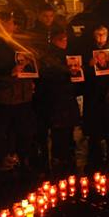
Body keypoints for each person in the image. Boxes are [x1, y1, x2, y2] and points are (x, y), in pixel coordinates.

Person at [0, 10, 36, 175]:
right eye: (10, 22)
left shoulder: (18, 42)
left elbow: (28, 63)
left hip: (22, 96)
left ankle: (21, 161)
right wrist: (8, 74)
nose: (13, 25)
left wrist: (30, 75)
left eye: (13, 22)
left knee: (23, 132)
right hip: (2, 98)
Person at [35, 28, 81, 175]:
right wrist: (67, 72)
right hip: (56, 98)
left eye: (66, 39)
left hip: (66, 96)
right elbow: (49, 74)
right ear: (54, 40)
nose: (65, 42)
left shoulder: (66, 54)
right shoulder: (50, 56)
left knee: (66, 128)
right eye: (62, 39)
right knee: (59, 129)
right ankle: (58, 157)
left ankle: (65, 154)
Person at [82, 25, 109, 169]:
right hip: (93, 89)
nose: (101, 37)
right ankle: (95, 148)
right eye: (98, 34)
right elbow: (81, 70)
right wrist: (88, 65)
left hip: (108, 88)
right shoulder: (88, 49)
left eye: (103, 34)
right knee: (95, 117)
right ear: (94, 35)